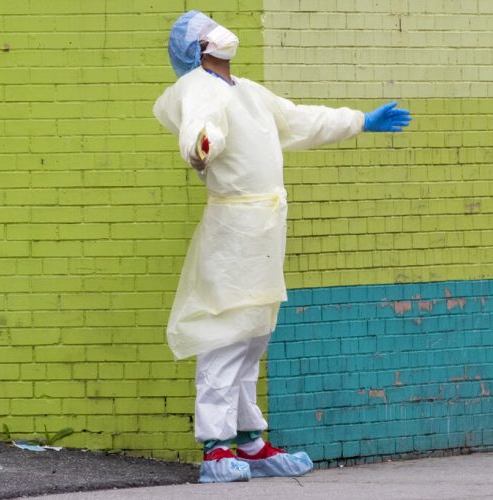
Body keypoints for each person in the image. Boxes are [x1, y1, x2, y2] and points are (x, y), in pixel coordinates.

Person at [153, 10, 411, 484]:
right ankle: (214, 447)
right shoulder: (198, 87)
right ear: (197, 50)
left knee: (253, 336)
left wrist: (359, 121)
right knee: (225, 334)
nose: (217, 29)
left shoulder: (247, 92)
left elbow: (298, 120)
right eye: (204, 30)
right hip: (234, 228)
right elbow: (200, 128)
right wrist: (200, 145)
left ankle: (249, 440)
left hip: (264, 227)